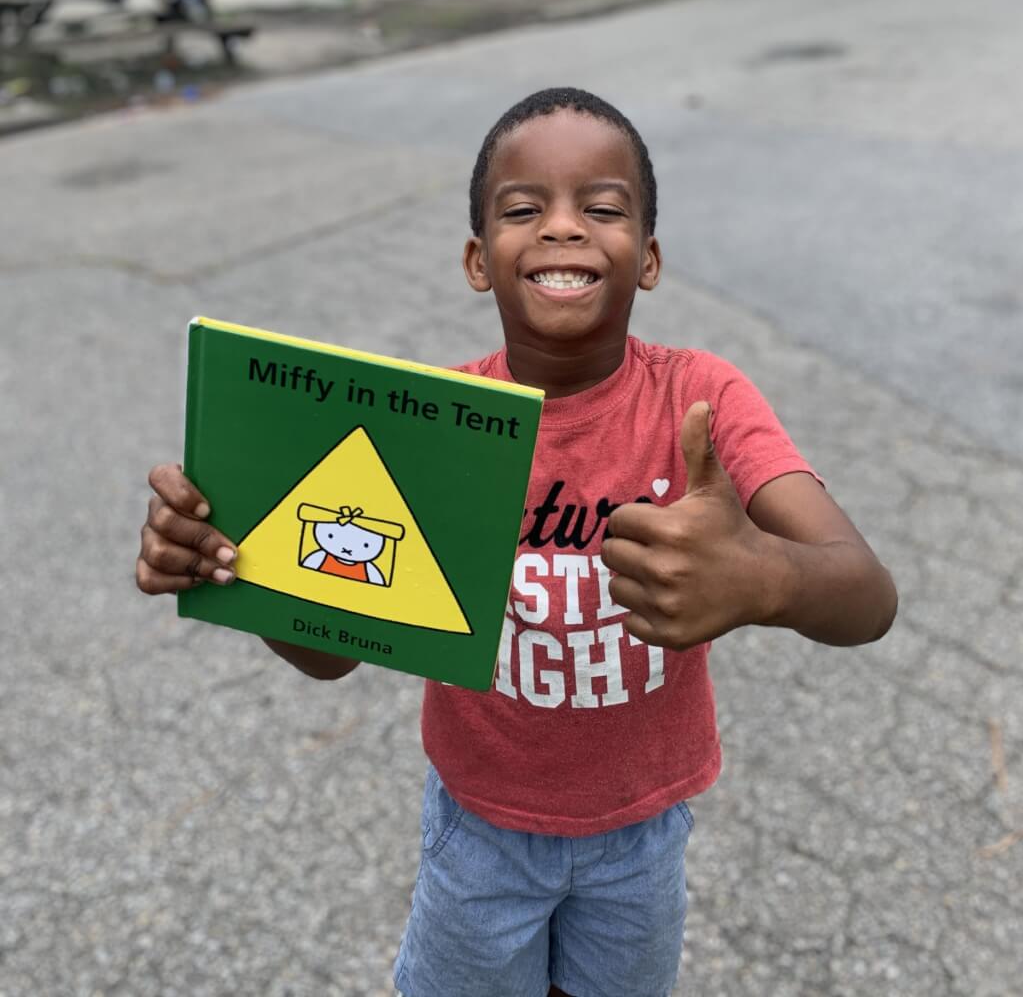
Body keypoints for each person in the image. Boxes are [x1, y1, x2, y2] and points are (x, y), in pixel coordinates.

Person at [136, 87, 897, 997]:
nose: (564, 229)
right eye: (523, 209)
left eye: (604, 208)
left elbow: (866, 595)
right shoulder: (428, 425)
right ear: (477, 259)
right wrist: (240, 567)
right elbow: (330, 658)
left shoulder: (701, 399)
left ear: (648, 259)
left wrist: (765, 576)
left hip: (641, 833)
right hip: (481, 831)